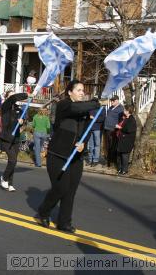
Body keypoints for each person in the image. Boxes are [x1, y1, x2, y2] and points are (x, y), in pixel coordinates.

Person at [37, 80, 100, 233]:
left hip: (76, 157)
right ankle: (43, 212)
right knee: (61, 188)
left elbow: (87, 130)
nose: (82, 92)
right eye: (79, 90)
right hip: (58, 155)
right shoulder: (64, 105)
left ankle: (64, 222)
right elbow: (76, 108)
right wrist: (95, 103)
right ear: (70, 92)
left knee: (71, 191)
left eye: (83, 90)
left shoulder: (83, 111)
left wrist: (82, 143)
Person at [0, 91, 28, 192]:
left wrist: (21, 122)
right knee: (12, 160)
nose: (13, 96)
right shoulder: (5, 107)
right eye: (11, 95)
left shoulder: (18, 109)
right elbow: (12, 99)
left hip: (16, 138)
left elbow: (21, 122)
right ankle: (4, 177)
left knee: (13, 162)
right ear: (7, 97)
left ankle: (10, 183)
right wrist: (26, 95)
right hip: (6, 138)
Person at [116, 104, 137, 176]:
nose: (123, 111)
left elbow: (129, 129)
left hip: (127, 141)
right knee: (119, 155)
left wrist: (120, 127)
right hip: (121, 139)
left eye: (125, 110)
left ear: (128, 111)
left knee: (125, 155)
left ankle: (124, 170)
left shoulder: (132, 119)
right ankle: (119, 168)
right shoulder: (125, 118)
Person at [103, 95, 123, 167]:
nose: (111, 102)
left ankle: (111, 162)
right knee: (107, 146)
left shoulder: (121, 108)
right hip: (106, 129)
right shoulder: (111, 107)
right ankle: (108, 161)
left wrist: (117, 125)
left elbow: (121, 120)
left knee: (112, 146)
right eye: (111, 100)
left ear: (117, 100)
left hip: (113, 130)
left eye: (113, 101)